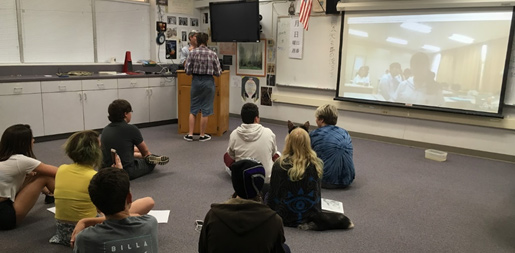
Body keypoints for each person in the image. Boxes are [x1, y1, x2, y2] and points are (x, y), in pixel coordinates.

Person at [268, 128, 353, 231]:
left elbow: (273, 195)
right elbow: (317, 193)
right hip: (311, 216)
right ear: (308, 143)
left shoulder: (279, 165)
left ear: (288, 142)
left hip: (283, 216)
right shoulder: (316, 164)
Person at [199, 159, 289, 253]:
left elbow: (202, 249)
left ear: (235, 183)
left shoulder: (213, 216)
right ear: (260, 184)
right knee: (285, 248)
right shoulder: (274, 220)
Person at [49, 130, 121, 246]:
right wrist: (119, 173)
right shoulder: (94, 177)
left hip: (63, 232)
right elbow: (117, 204)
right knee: (139, 207)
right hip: (86, 233)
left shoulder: (61, 169)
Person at [71, 168, 157, 252]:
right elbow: (136, 215)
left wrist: (85, 221)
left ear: (96, 207)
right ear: (129, 198)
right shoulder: (149, 223)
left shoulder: (84, 238)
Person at [0, 124, 57, 230]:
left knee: (32, 174)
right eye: (31, 138)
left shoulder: (4, 157)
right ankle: (71, 206)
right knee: (44, 176)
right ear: (23, 143)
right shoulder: (20, 160)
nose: (33, 140)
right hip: (4, 215)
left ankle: (49, 194)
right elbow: (59, 172)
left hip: (3, 205)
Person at [101, 99, 169, 180]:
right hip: (125, 170)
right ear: (125, 114)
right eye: (130, 112)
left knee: (129, 151)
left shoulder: (105, 130)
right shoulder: (131, 129)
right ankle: (149, 158)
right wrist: (147, 156)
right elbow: (145, 152)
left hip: (106, 169)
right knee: (150, 162)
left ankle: (138, 156)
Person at [224, 103, 279, 184]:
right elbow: (273, 154)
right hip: (265, 181)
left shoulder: (234, 134)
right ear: (256, 119)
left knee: (226, 156)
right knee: (277, 154)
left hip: (243, 182)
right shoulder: (268, 133)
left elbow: (231, 156)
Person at [184, 32, 222, 142]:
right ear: (206, 41)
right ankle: (202, 135)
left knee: (193, 109)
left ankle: (190, 135)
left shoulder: (192, 53)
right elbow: (218, 72)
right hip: (208, 82)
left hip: (195, 81)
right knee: (206, 108)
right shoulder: (212, 54)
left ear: (197, 41)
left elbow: (187, 71)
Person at [309, 104, 355, 189]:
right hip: (348, 179)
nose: (315, 120)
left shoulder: (314, 134)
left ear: (321, 120)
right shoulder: (345, 133)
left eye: (317, 118)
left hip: (325, 181)